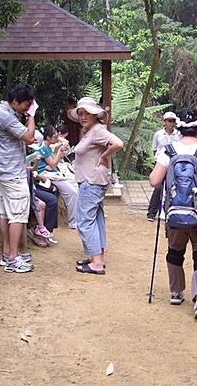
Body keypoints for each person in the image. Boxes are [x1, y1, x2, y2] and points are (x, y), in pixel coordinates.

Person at [149, 107, 197, 320]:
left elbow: (154, 181)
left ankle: (176, 292)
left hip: (173, 212)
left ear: (179, 127)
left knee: (175, 251)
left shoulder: (168, 150)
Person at [67, 97, 124, 274]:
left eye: (87, 113)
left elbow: (118, 144)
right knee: (96, 218)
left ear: (94, 115)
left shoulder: (98, 130)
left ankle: (97, 263)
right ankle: (96, 257)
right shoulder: (90, 131)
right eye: (81, 113)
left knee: (85, 220)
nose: (83, 117)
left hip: (91, 181)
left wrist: (104, 156)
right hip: (91, 180)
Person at [0, 83, 38, 273]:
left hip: (5, 171)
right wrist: (32, 116)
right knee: (18, 214)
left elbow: (24, 137)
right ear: (15, 101)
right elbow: (28, 137)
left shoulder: (5, 112)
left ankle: (7, 252)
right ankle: (12, 259)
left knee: (6, 213)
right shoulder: (5, 115)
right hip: (12, 174)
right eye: (26, 104)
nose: (27, 108)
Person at [36, 125, 79, 230]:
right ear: (48, 137)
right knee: (73, 193)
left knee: (74, 188)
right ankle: (73, 222)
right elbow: (53, 165)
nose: (56, 138)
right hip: (48, 175)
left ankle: (75, 219)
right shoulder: (44, 148)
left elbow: (52, 164)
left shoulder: (46, 147)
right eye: (54, 136)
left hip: (53, 173)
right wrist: (60, 152)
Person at [147, 111, 182, 221]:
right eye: (169, 121)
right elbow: (154, 149)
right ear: (164, 122)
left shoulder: (179, 135)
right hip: (161, 163)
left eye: (173, 121)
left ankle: (171, 211)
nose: (171, 123)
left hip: (175, 163)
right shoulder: (158, 134)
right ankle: (151, 213)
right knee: (158, 187)